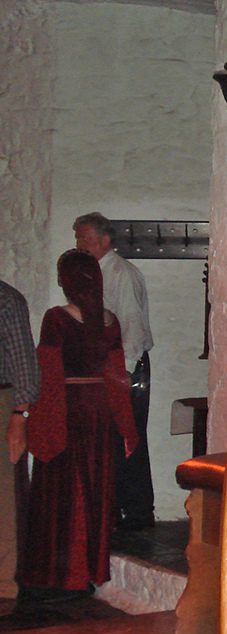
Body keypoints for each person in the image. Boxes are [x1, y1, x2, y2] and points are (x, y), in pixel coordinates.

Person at [21, 250, 138, 596]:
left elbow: (50, 374)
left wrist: (39, 426)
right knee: (93, 488)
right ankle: (89, 568)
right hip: (98, 412)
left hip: (68, 411)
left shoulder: (56, 319)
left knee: (66, 491)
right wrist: (125, 427)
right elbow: (117, 377)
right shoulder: (110, 321)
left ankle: (62, 573)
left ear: (67, 281)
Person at [73, 211, 155, 530]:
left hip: (128, 366)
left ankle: (137, 513)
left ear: (104, 240)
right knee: (112, 438)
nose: (79, 244)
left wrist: (125, 374)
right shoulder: (94, 273)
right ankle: (119, 508)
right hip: (113, 365)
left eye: (84, 238)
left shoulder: (122, 273)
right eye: (78, 238)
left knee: (129, 437)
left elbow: (133, 326)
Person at [0, 279, 40, 615]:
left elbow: (25, 366)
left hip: (2, 399)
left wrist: (19, 414)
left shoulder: (7, 299)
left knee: (3, 497)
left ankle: (3, 583)